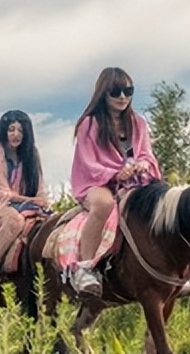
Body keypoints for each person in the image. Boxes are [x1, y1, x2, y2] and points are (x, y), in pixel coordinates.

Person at [69, 67, 161, 295]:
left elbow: (146, 153)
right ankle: (84, 268)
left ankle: (168, 269)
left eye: (128, 90)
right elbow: (88, 162)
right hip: (97, 183)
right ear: (103, 92)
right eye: (116, 91)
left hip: (134, 181)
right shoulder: (89, 124)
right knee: (103, 204)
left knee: (162, 201)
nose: (122, 97)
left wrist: (143, 165)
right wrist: (115, 174)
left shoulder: (137, 122)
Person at [0, 110, 49, 293]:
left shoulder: (32, 154)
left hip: (25, 205)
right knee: (14, 221)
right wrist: (29, 200)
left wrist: (39, 201)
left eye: (20, 130)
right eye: (11, 129)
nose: (16, 135)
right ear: (4, 131)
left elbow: (39, 187)